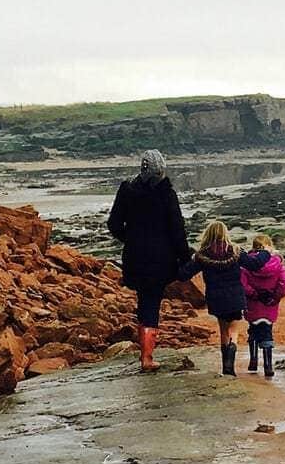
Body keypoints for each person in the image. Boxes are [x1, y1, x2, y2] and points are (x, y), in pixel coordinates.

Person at [107, 149, 191, 372]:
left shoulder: (127, 190)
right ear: (160, 170)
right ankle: (147, 357)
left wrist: (131, 240)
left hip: (135, 258)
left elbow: (114, 225)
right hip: (161, 260)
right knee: (151, 303)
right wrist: (185, 258)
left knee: (144, 302)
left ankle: (145, 355)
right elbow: (177, 230)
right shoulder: (166, 193)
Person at [180, 220, 270, 376]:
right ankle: (230, 364)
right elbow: (254, 264)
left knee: (223, 330)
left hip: (216, 298)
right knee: (234, 330)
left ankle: (225, 366)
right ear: (225, 234)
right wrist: (265, 252)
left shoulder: (202, 256)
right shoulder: (235, 251)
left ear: (208, 235)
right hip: (235, 296)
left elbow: (183, 274)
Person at [240, 233, 285, 378]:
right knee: (267, 331)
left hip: (253, 304)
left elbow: (243, 285)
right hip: (270, 305)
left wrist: (254, 294)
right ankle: (268, 365)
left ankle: (254, 360)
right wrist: (275, 296)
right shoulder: (278, 264)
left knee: (253, 330)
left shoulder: (247, 265)